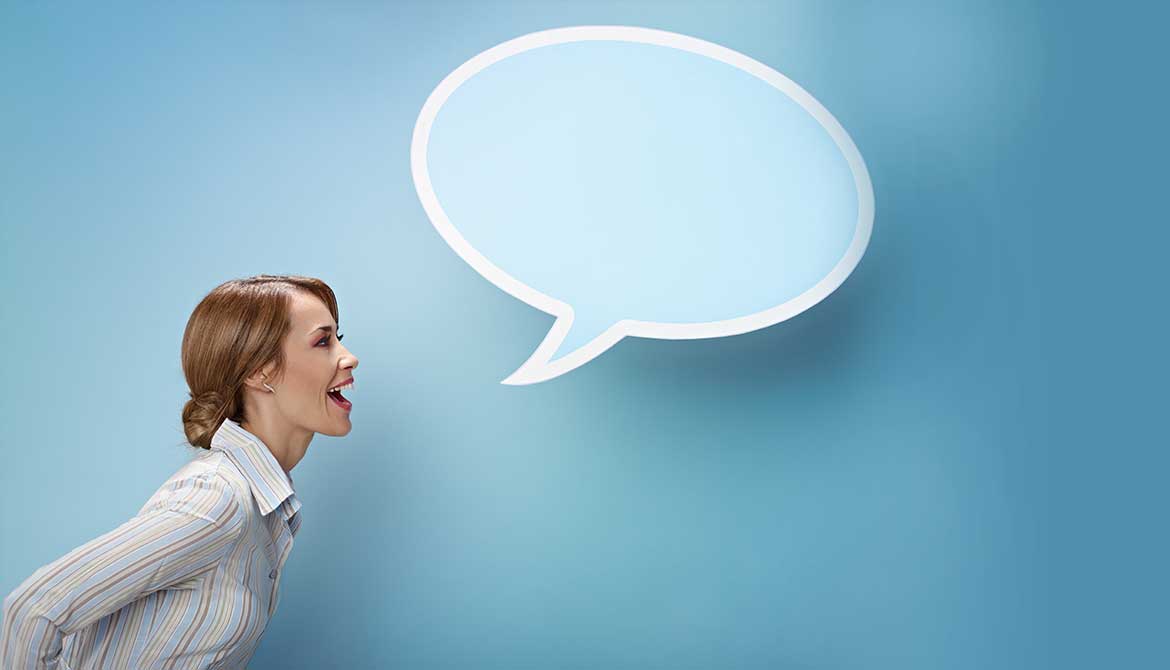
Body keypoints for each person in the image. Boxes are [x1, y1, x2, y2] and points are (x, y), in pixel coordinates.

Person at [1, 275, 359, 669]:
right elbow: (31, 612)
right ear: (261, 372)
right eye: (323, 341)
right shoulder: (218, 499)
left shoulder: (264, 509)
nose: (348, 357)